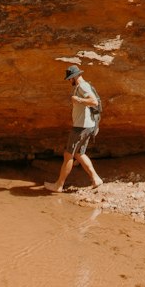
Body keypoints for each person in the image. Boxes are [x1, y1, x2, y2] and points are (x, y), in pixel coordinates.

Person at [46, 64, 103, 192]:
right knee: (79, 153)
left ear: (74, 77)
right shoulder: (83, 85)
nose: (69, 81)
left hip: (81, 127)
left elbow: (94, 102)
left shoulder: (82, 86)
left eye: (69, 79)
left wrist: (78, 99)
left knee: (68, 155)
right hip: (87, 126)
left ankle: (59, 185)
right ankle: (96, 179)